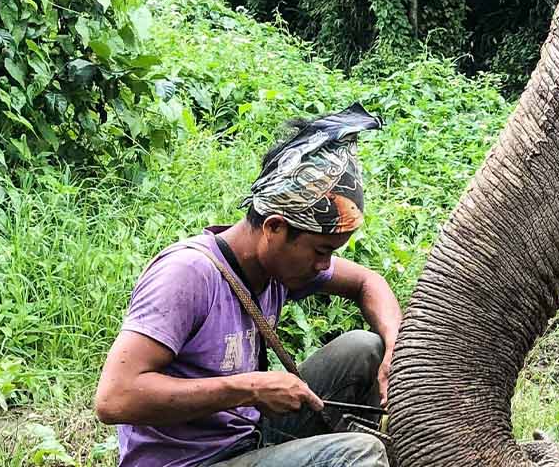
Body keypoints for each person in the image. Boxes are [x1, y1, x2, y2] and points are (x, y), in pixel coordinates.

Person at [94, 105, 400, 467]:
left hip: (247, 438)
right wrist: (250, 389)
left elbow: (368, 282)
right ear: (274, 228)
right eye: (320, 251)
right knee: (359, 455)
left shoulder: (278, 267)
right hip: (189, 461)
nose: (324, 265)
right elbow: (114, 399)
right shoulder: (187, 275)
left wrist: (394, 345)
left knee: (365, 347)